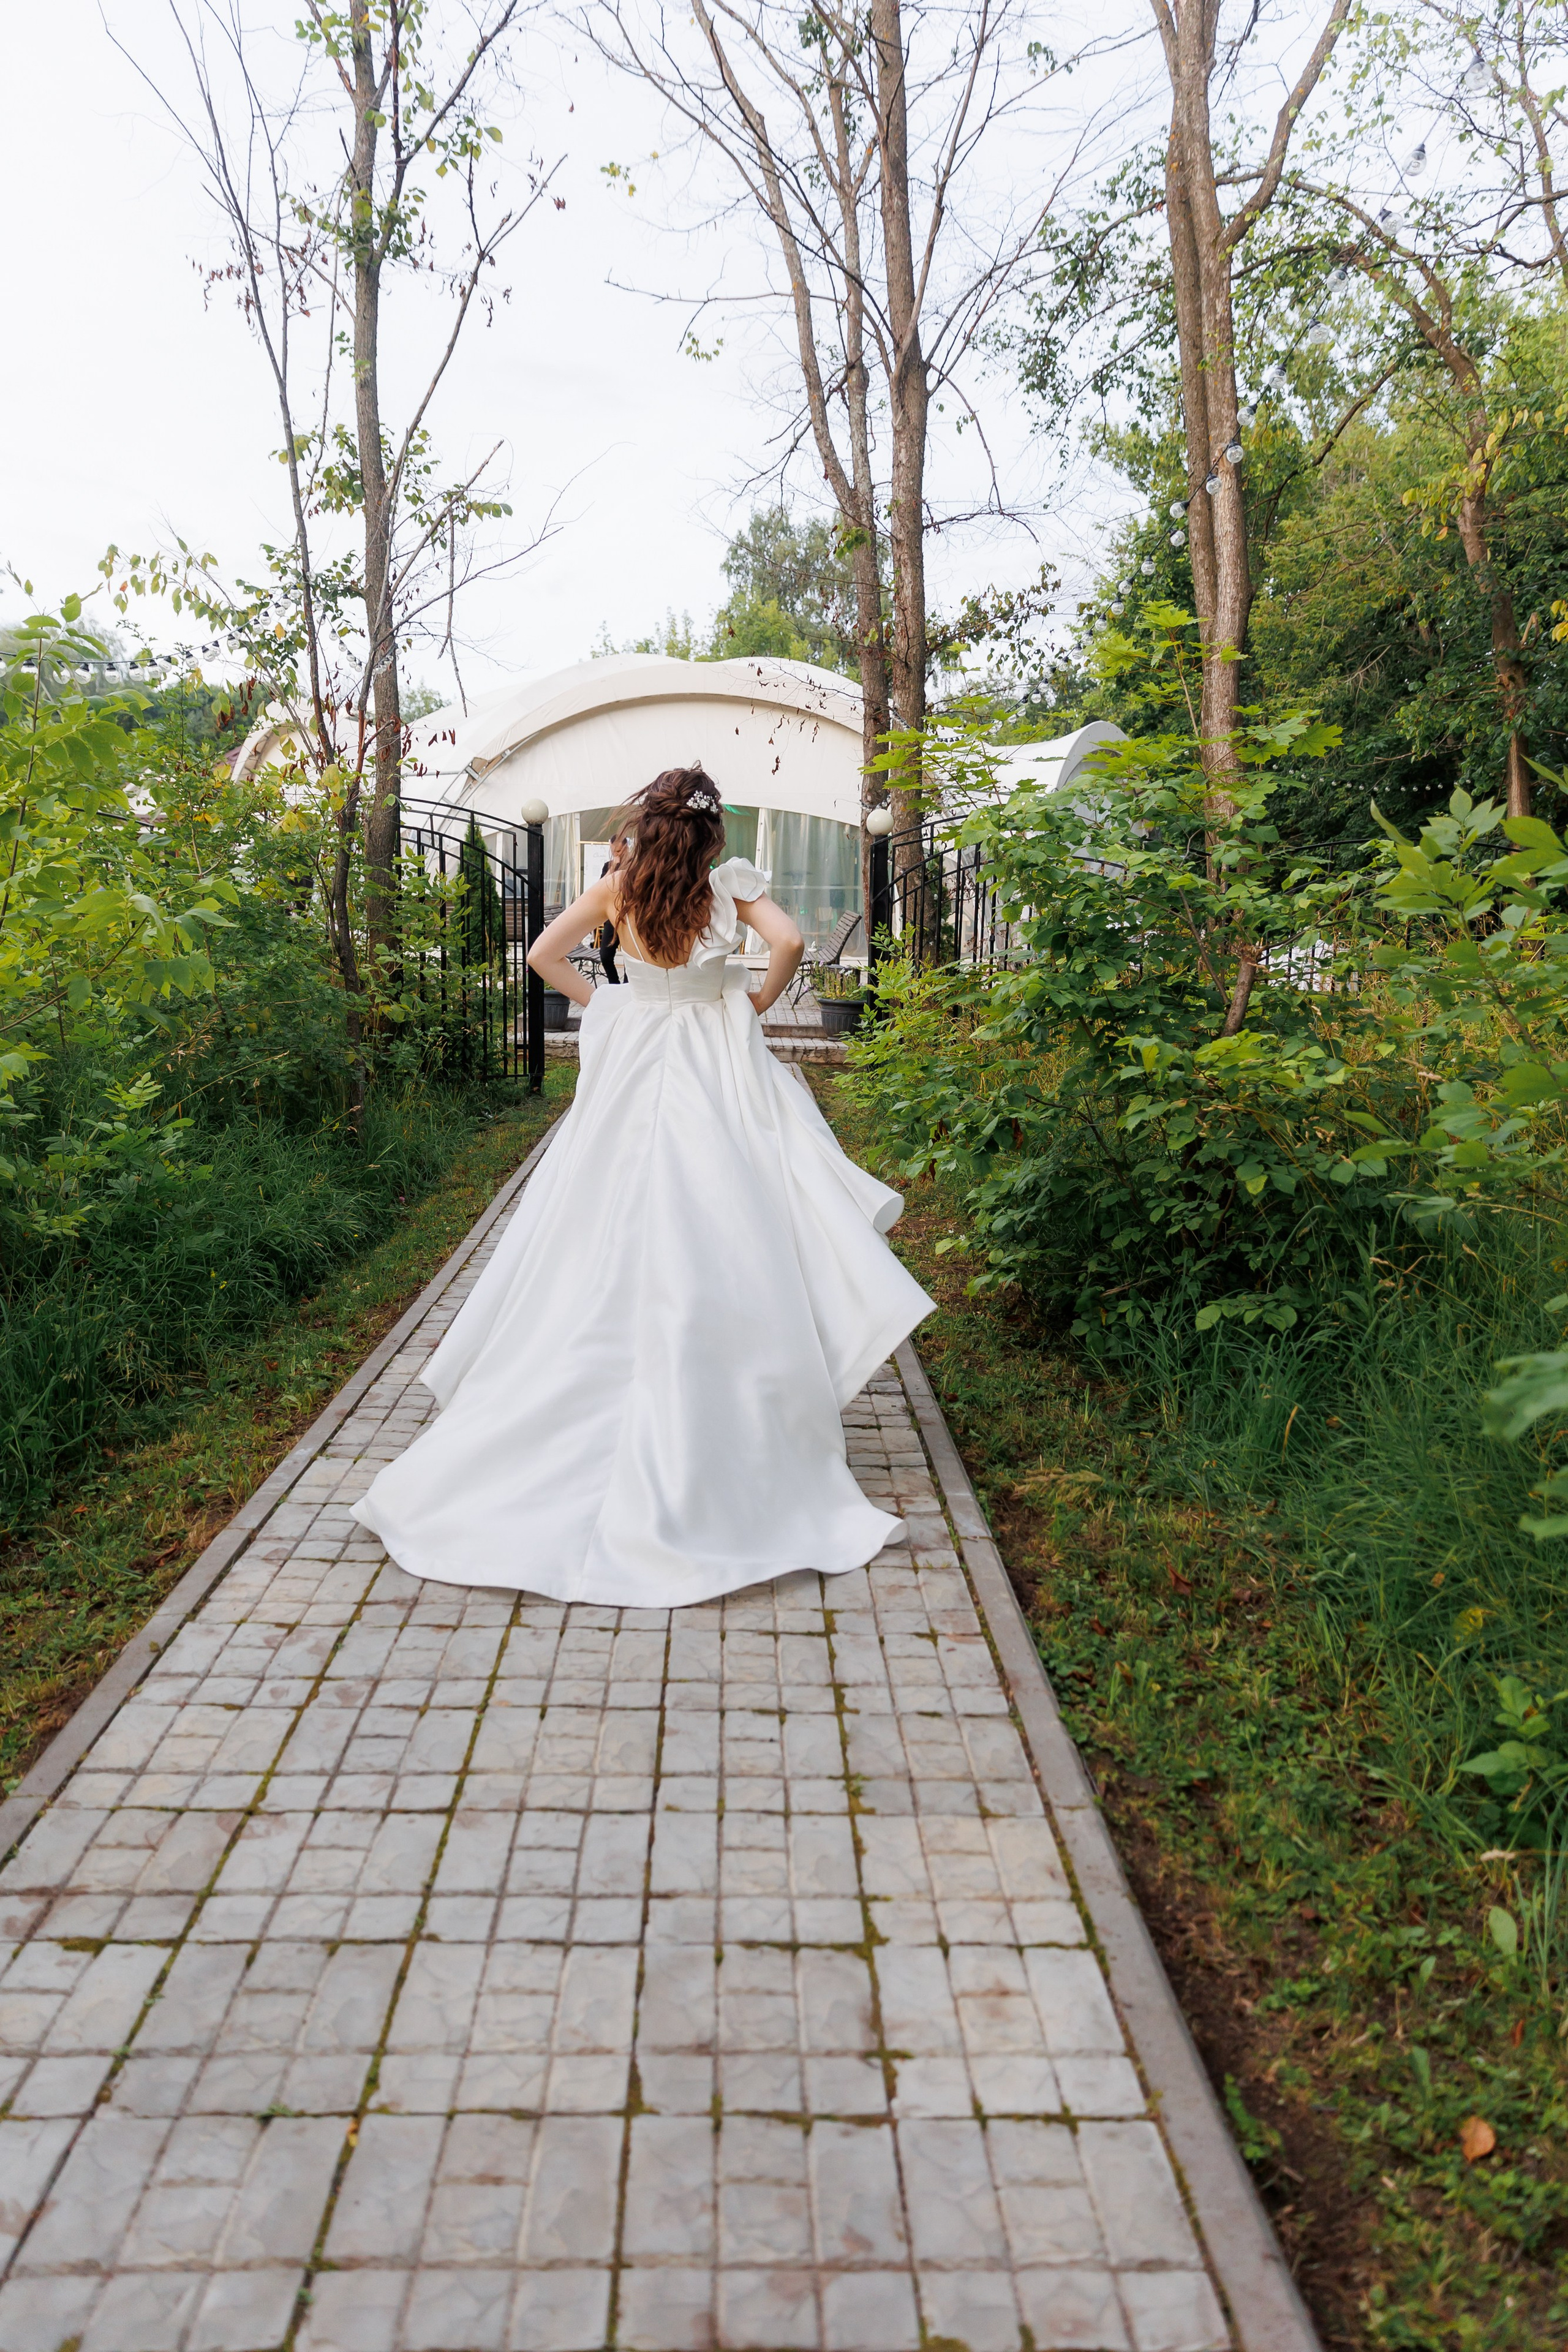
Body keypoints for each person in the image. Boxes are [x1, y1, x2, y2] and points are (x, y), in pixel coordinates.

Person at [350, 764, 934, 1608]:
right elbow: (794, 944)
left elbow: (545, 956)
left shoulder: (619, 888)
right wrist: (757, 1000)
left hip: (637, 1061)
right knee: (731, 1220)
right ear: (707, 833)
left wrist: (610, 1004)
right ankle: (734, 1410)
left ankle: (577, 1380)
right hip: (712, 1061)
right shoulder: (727, 887)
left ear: (649, 825)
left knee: (601, 1217)